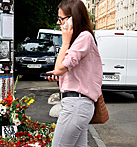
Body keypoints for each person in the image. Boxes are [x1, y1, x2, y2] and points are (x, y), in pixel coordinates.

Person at [46, 0, 103, 146]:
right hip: (77, 105)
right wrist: (59, 76)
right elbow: (65, 70)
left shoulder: (84, 37)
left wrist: (64, 42)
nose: (59, 23)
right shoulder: (80, 39)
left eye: (61, 19)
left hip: (76, 105)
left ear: (73, 18)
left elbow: (59, 68)